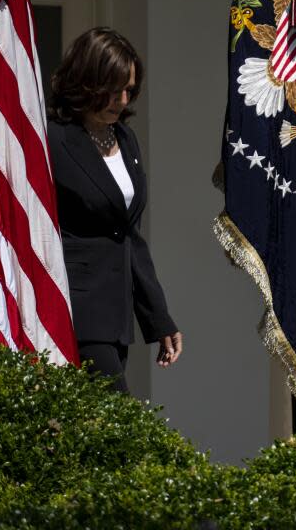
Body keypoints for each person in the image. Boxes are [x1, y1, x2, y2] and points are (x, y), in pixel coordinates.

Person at [47, 27, 182, 392]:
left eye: (129, 90)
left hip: (117, 319)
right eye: (113, 89)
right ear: (87, 82)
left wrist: (158, 318)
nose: (122, 100)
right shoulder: (54, 140)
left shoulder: (125, 138)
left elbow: (128, 236)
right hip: (77, 310)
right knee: (119, 425)